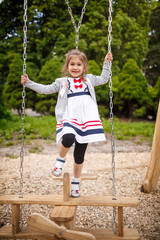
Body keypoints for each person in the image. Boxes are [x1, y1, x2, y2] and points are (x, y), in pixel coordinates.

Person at [21, 49, 113, 198]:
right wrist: (29, 83)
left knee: (80, 153)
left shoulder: (89, 79)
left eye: (79, 64)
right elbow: (45, 90)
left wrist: (107, 63)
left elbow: (104, 78)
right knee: (68, 137)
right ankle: (60, 160)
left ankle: (76, 182)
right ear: (67, 66)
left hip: (87, 119)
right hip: (69, 116)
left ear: (84, 67)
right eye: (72, 64)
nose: (75, 67)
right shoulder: (62, 82)